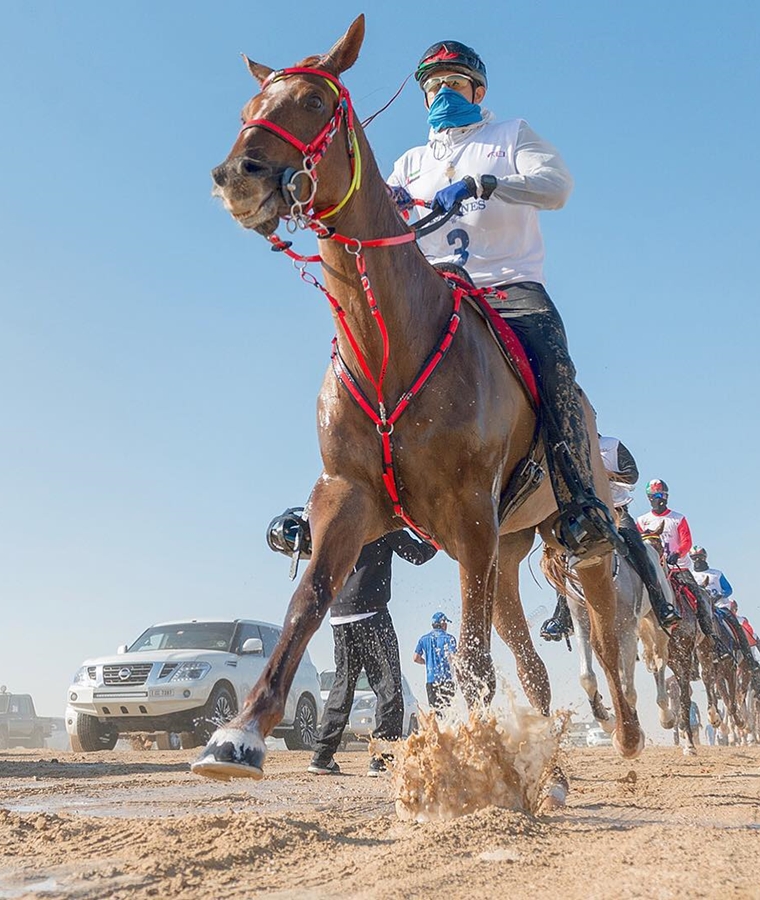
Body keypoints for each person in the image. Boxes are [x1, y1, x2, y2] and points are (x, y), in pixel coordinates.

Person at [388, 41, 623, 568]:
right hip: (437, 296)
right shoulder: (409, 162)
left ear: (478, 91)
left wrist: (486, 182)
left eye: (451, 83)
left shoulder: (510, 134)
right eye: (432, 87)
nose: (440, 94)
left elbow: (557, 187)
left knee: (556, 369)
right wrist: (388, 203)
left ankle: (580, 503)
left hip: (507, 287)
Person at [267, 511, 437, 777]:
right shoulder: (383, 522)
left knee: (342, 686)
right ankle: (382, 760)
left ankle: (322, 756)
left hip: (339, 616)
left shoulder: (341, 523)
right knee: (389, 686)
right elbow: (417, 555)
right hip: (372, 613)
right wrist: (435, 538)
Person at [541, 436, 681, 641]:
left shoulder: (612, 445)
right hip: (583, 513)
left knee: (639, 549)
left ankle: (660, 605)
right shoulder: (569, 446)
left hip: (616, 511)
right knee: (561, 555)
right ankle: (562, 616)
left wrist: (604, 474)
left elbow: (632, 475)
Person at [636, 479, 729, 660]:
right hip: (654, 569)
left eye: (662, 495)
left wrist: (678, 553)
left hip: (678, 568)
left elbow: (687, 541)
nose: (659, 499)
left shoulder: (678, 518)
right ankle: (637, 637)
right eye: (655, 496)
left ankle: (712, 639)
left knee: (700, 597)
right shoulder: (642, 521)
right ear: (649, 498)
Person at [414, 612, 458, 711]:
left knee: (435, 713)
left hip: (431, 681)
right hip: (447, 681)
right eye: (445, 623)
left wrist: (426, 662)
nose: (446, 625)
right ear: (442, 624)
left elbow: (416, 658)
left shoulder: (423, 639)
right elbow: (454, 657)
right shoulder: (449, 638)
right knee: (449, 713)